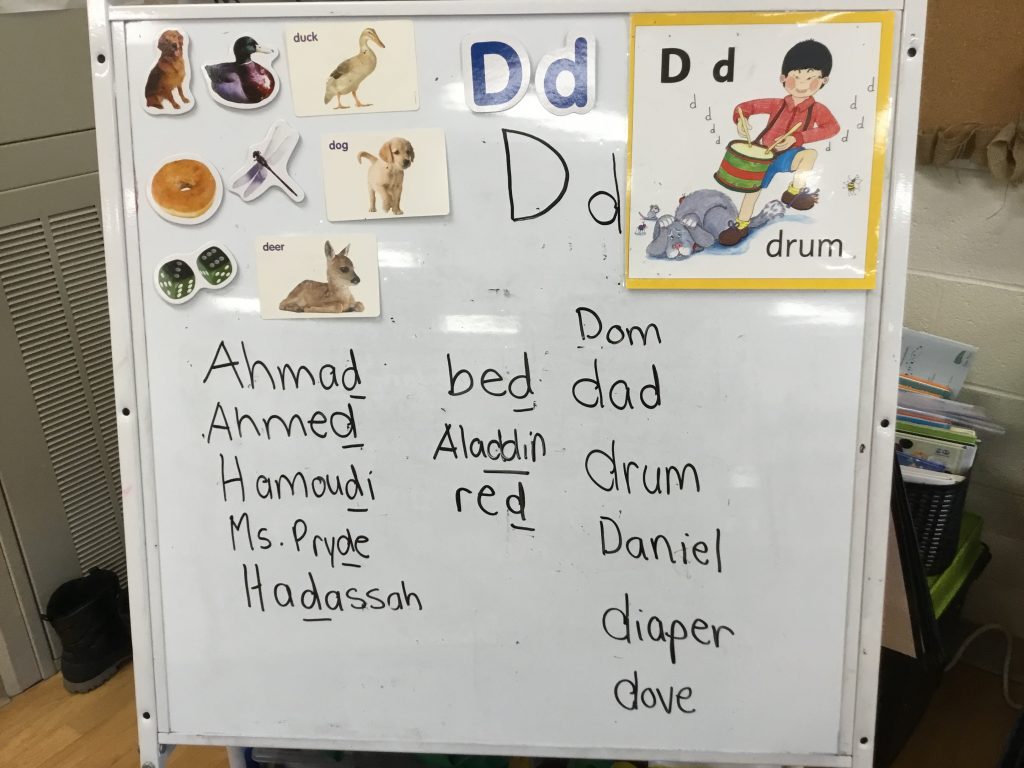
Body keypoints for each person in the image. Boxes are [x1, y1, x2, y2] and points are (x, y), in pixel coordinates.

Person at [718, 39, 840, 246]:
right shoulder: (776, 104)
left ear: (824, 80)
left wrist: (798, 138)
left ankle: (793, 193)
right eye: (796, 77)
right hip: (764, 156)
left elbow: (832, 128)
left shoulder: (818, 110)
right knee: (752, 191)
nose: (802, 84)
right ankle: (741, 225)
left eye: (810, 78)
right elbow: (744, 107)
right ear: (783, 78)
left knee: (810, 155)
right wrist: (741, 120)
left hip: (790, 156)